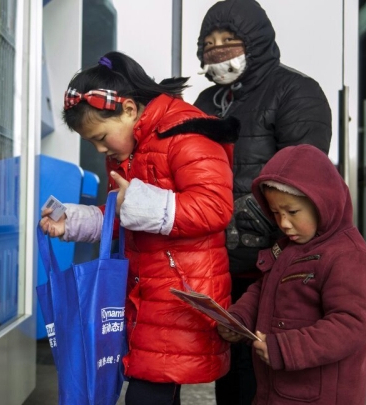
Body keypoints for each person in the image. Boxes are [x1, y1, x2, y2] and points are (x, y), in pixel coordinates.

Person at [40, 51, 240, 404]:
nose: (100, 149)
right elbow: (124, 214)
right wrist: (72, 221)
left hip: (180, 296)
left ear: (129, 110)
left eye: (102, 137)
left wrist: (138, 202)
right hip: (145, 295)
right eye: (92, 142)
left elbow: (215, 207)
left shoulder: (187, 133)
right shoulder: (129, 147)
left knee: (147, 396)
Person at [192, 1, 333, 403]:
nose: (218, 50)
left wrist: (246, 218)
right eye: (209, 44)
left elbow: (302, 175)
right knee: (232, 372)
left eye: (229, 40)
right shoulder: (206, 101)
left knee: (269, 372)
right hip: (219, 262)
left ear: (255, 40)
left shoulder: (295, 90)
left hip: (275, 260)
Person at [217, 144, 366, 404]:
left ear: (322, 203)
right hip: (276, 392)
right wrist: (239, 319)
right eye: (275, 213)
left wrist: (287, 349)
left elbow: (351, 325)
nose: (283, 223)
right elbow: (262, 290)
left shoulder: (350, 256)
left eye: (292, 212)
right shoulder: (288, 246)